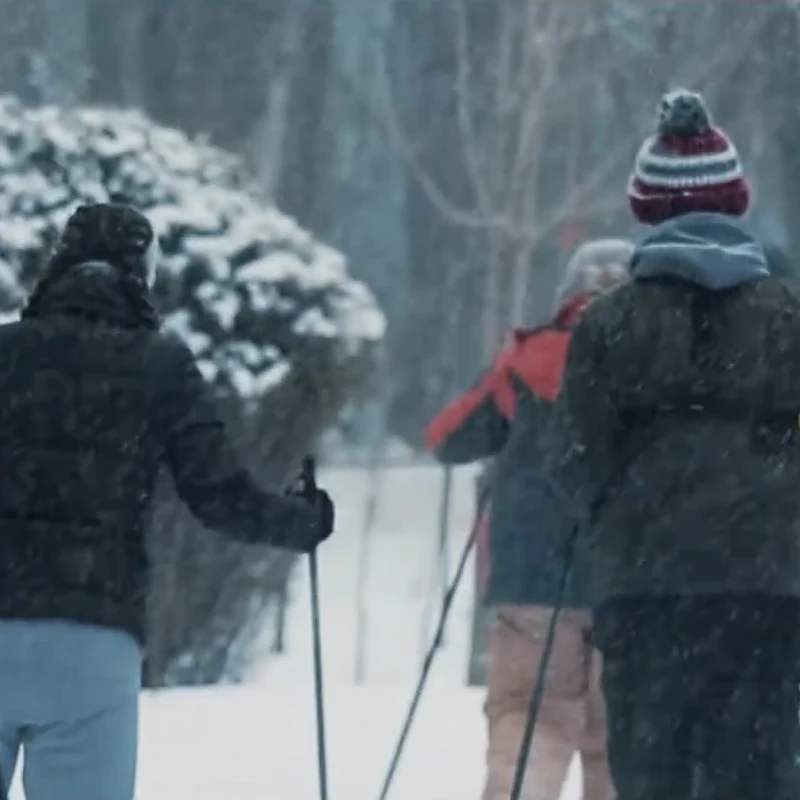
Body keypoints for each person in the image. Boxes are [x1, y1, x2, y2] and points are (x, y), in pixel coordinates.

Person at [0, 203, 334, 800]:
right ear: (142, 276)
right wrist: (300, 521)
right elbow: (219, 495)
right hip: (91, 642)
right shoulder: (160, 367)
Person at [556, 89, 800, 800]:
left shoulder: (605, 326)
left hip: (647, 590)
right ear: (737, 204)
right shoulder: (790, 319)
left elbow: (575, 460)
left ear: (644, 210)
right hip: (772, 588)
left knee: (651, 776)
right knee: (758, 776)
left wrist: (626, 508)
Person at [426, 238, 633, 800]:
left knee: (528, 720)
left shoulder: (525, 361)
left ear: (567, 295)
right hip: (632, 581)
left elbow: (446, 437)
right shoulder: (658, 367)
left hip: (530, 577)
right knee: (620, 741)